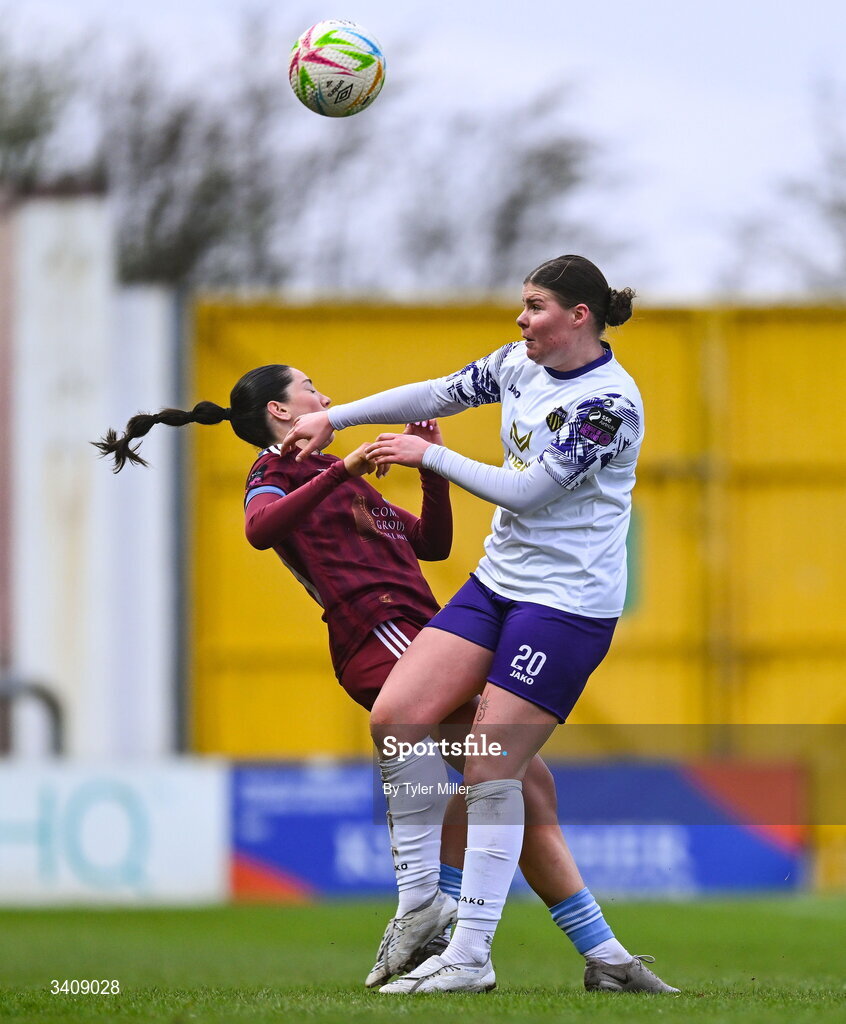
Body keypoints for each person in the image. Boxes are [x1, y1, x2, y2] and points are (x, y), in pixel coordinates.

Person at [96, 353, 675, 995]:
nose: (324, 392)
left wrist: (431, 466)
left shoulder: (340, 478)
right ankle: (445, 907)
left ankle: (587, 949)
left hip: (423, 631)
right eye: (310, 387)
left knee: (524, 784)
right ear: (280, 412)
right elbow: (260, 528)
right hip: (382, 638)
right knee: (514, 782)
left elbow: (429, 544)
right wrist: (340, 468)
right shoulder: (276, 469)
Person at [282, 255, 679, 995]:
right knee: (398, 716)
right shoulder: (518, 366)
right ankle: (428, 902)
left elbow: (529, 492)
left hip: (565, 604)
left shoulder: (609, 404)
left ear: (578, 317)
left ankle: (469, 956)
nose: (521, 320)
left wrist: (427, 453)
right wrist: (330, 418)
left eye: (534, 307)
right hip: (498, 584)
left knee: (492, 766)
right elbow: (440, 389)